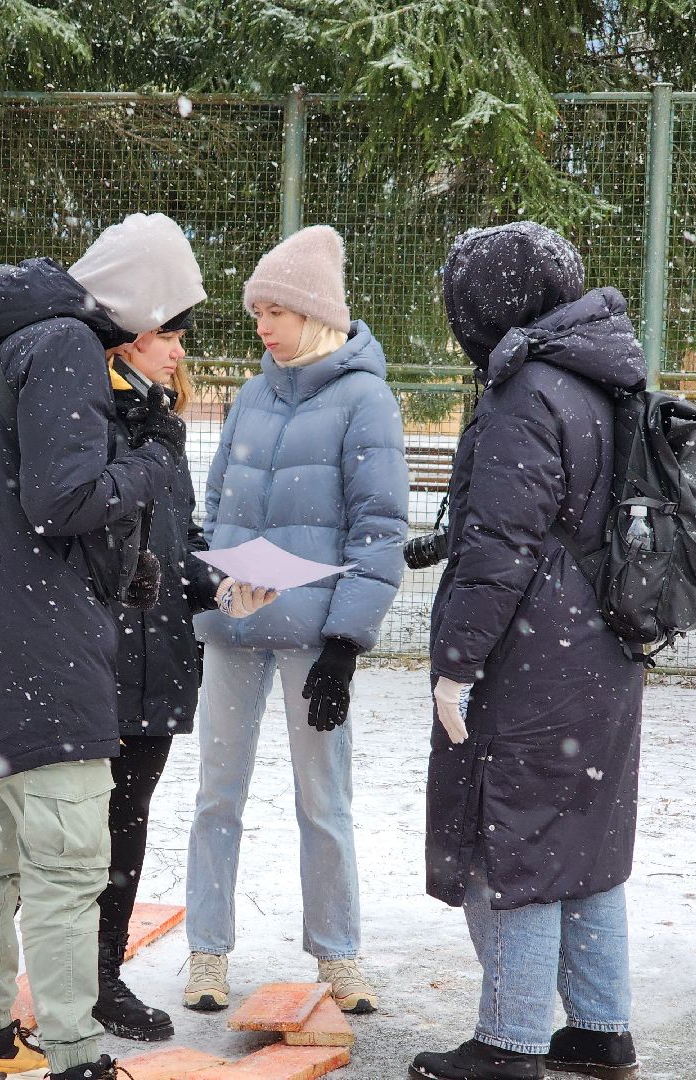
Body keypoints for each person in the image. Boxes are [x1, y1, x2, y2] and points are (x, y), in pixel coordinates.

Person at [0, 308, 273, 1045]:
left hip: (155, 656)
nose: (177, 353)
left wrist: (222, 584)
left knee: (124, 823)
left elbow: (176, 535)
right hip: (82, 658)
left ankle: (103, 976)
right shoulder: (72, 406)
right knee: (39, 832)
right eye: (167, 336)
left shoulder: (162, 421)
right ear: (128, 335)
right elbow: (62, 517)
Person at [410, 222, 645, 1080]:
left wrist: (456, 664)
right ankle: (601, 1029)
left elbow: (503, 548)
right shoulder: (603, 373)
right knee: (583, 838)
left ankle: (509, 1041)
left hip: (534, 652)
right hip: (604, 645)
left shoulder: (526, 389)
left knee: (511, 838)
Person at [183, 225, 410, 1015]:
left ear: (314, 313)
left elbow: (379, 528)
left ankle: (338, 955)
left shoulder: (366, 400)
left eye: (274, 310)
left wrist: (345, 643)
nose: (262, 326)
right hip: (233, 628)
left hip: (314, 639)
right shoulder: (252, 395)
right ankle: (207, 951)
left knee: (324, 800)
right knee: (217, 795)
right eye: (257, 312)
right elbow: (218, 500)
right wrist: (213, 581)